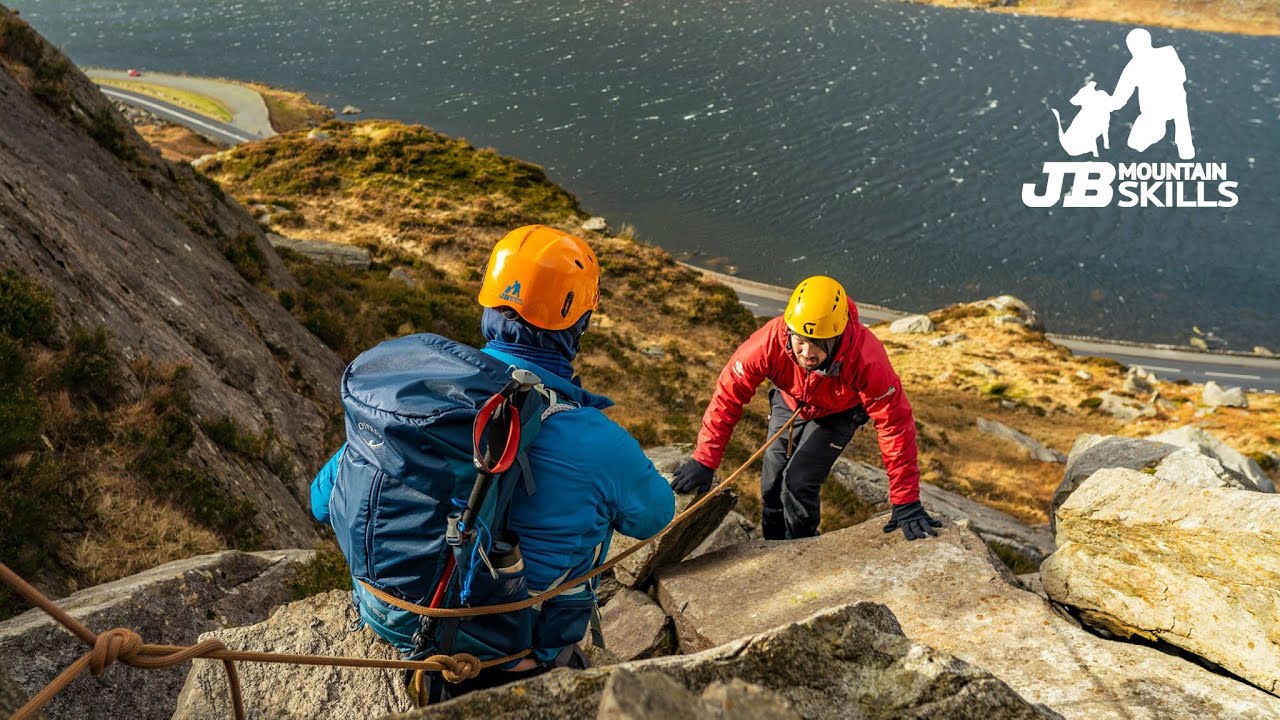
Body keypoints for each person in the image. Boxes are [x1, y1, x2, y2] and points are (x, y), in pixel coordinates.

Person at [312, 225, 675, 698]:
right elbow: (656, 516)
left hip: (392, 621)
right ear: (577, 324)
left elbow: (322, 502)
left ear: (488, 307)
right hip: (511, 658)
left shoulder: (420, 408)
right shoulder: (598, 442)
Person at [672, 275, 940, 542]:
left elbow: (895, 424)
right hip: (789, 402)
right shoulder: (766, 344)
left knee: (798, 481)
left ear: (837, 336)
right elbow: (727, 397)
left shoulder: (866, 358)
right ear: (789, 330)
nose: (807, 353)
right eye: (800, 340)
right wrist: (704, 461)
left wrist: (905, 501)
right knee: (772, 483)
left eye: (819, 344)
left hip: (839, 412)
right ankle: (773, 546)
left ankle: (802, 545)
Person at [1108, 27, 1194, 160]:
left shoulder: (1133, 67)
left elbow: (1120, 99)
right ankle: (1184, 146)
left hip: (1156, 112)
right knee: (1180, 118)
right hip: (1174, 104)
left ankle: (1176, 141)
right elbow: (1182, 77)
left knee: (1134, 145)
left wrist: (1104, 104)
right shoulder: (1168, 52)